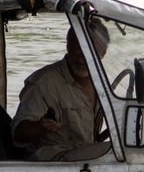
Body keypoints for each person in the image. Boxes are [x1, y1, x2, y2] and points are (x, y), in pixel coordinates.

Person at [12, 21, 112, 162]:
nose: (83, 56)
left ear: (103, 53)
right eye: (78, 47)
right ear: (68, 46)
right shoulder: (44, 82)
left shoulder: (103, 81)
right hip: (51, 162)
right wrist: (41, 127)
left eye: (91, 50)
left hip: (83, 158)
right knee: (114, 151)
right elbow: (18, 134)